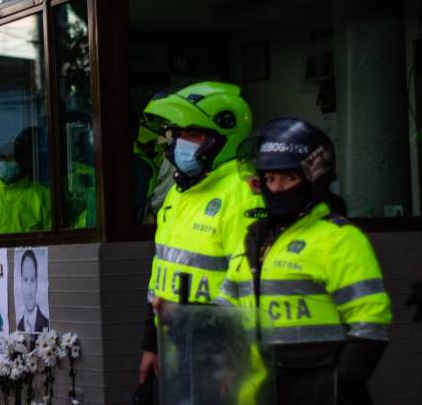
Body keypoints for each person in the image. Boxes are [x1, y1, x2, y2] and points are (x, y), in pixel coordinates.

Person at [216, 117, 392, 404]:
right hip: (260, 392)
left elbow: (370, 321)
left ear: (313, 179)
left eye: (289, 177)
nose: (276, 188)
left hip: (319, 393)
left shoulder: (338, 238)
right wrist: (177, 315)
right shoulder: (253, 239)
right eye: (270, 178)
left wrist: (338, 387)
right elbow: (225, 310)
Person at [138, 81, 262, 386]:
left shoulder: (243, 193)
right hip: (180, 346)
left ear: (223, 138)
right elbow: (161, 275)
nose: (179, 143)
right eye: (177, 134)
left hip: (226, 352)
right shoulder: (179, 193)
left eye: (192, 134)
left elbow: (250, 286)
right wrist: (151, 344)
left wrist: (233, 356)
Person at [0, 127, 51, 233]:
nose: (5, 162)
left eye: (11, 158)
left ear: (24, 161)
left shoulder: (43, 197)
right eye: (2, 158)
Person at [16, 249, 49, 333]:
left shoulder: (46, 324)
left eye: (32, 280)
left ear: (37, 283)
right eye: (25, 280)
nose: (29, 289)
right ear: (21, 284)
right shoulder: (19, 326)